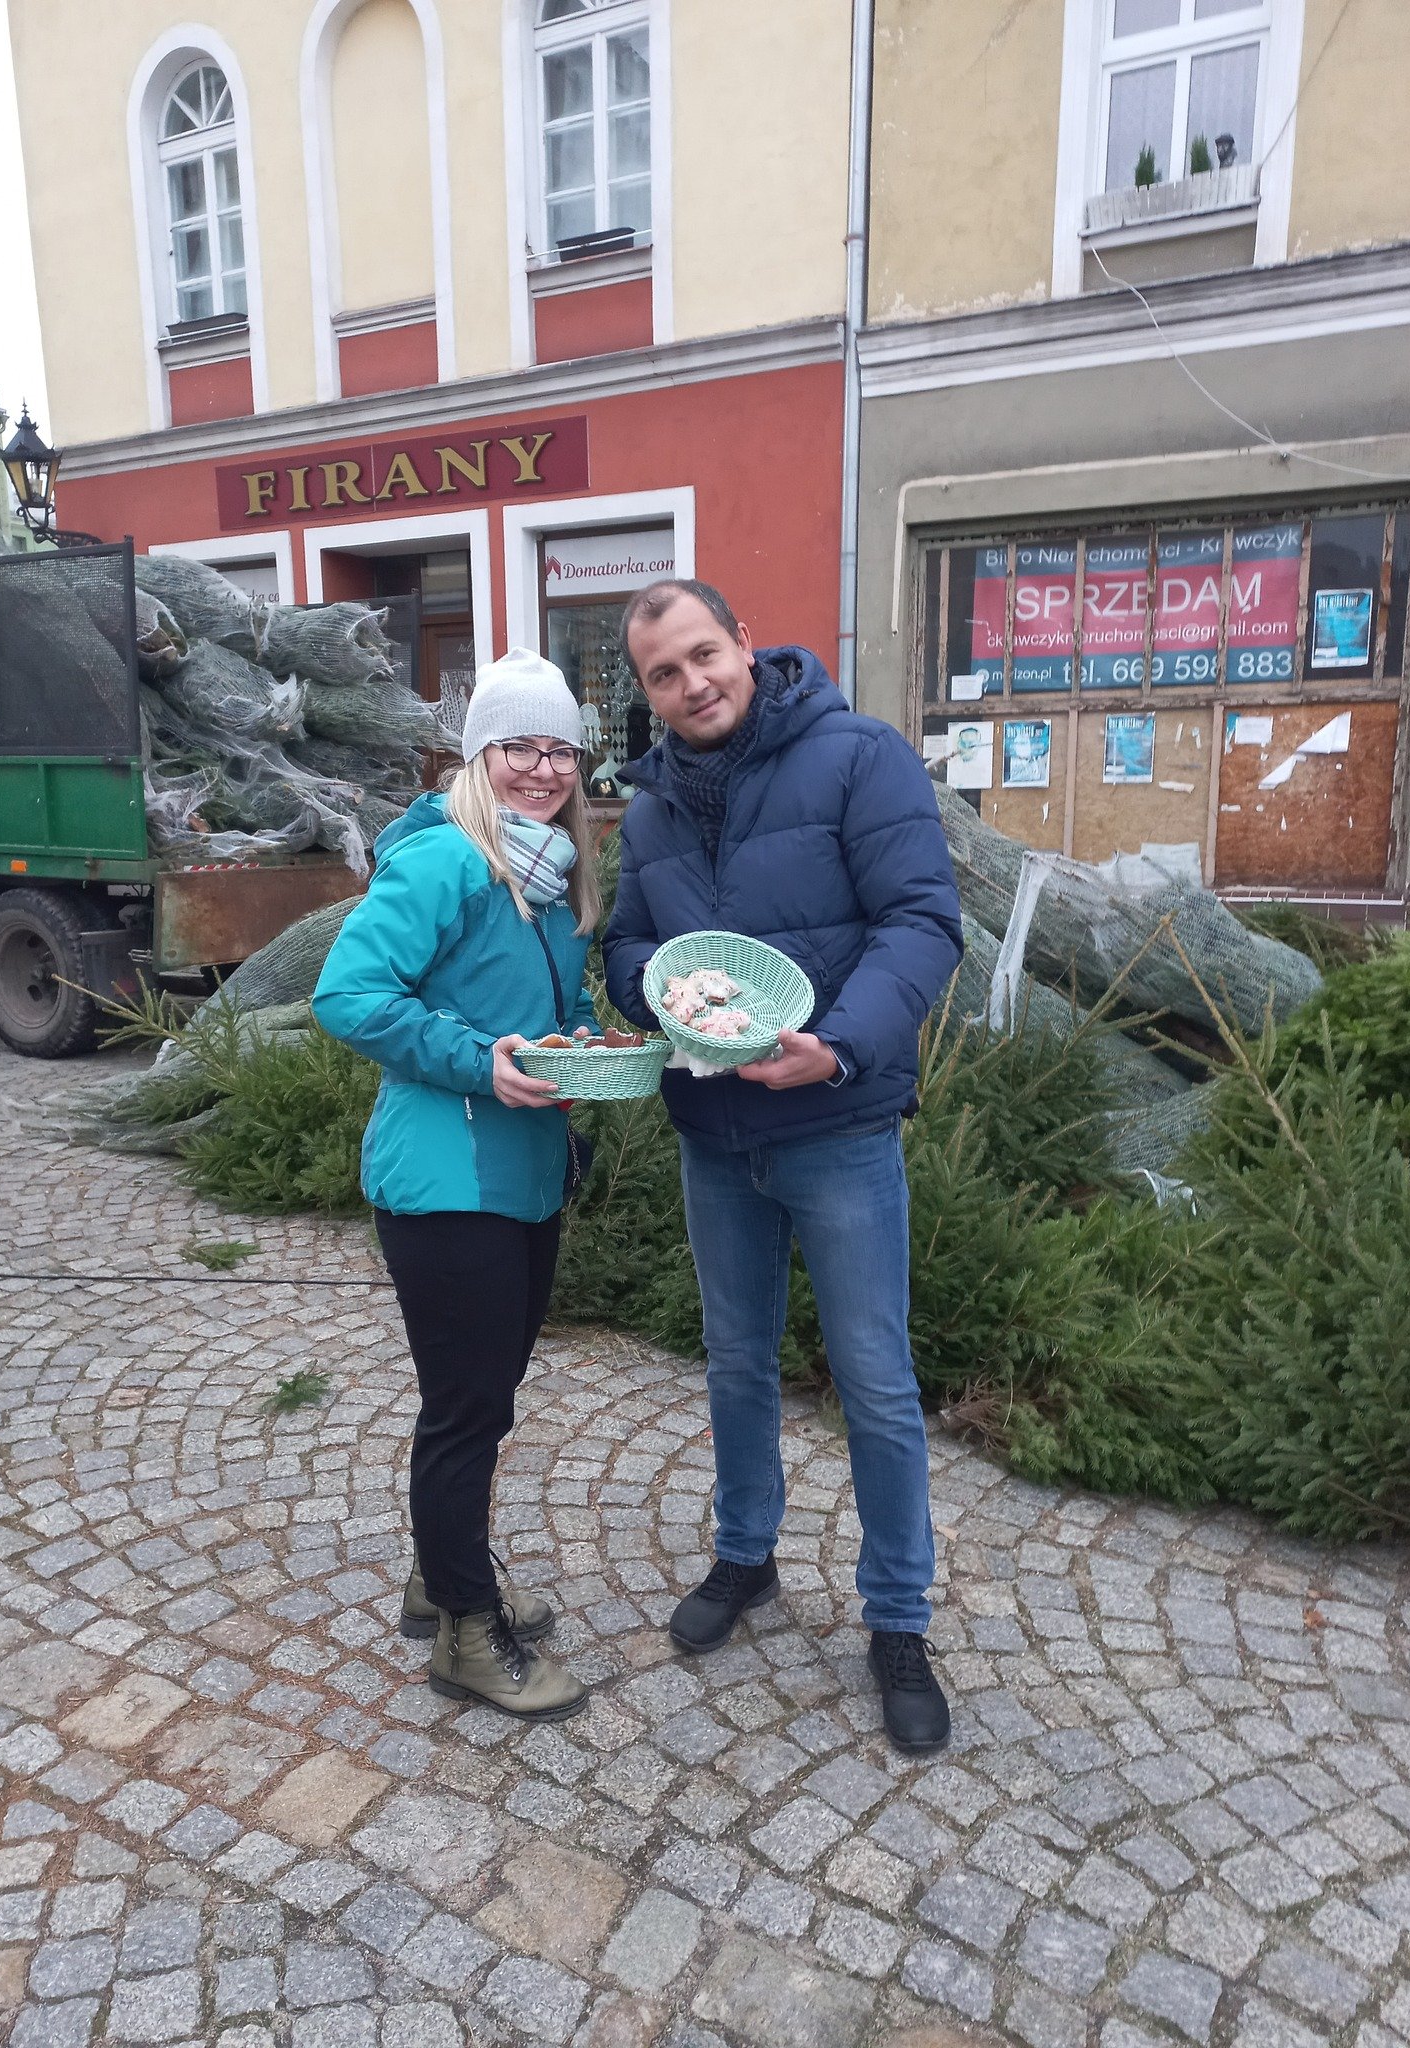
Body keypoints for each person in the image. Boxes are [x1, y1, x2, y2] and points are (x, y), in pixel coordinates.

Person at [603, 580, 964, 1752]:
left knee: (874, 1379)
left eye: (704, 653)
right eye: (664, 671)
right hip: (715, 1133)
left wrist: (842, 1044)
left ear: (746, 642)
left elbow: (921, 920)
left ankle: (898, 1619)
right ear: (648, 689)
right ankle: (746, 1554)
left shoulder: (859, 756)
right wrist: (656, 989)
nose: (692, 682)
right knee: (736, 1363)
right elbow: (623, 944)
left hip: (840, 1125)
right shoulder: (649, 804)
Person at [313, 647, 601, 1724]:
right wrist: (480, 1058)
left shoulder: (551, 868)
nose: (539, 766)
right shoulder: (444, 860)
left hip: (522, 1178)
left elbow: (529, 1022)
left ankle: (444, 1577)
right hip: (444, 1183)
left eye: (558, 746)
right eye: (516, 745)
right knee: (465, 1411)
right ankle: (469, 1640)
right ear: (479, 755)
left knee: (485, 1401)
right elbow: (349, 994)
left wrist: (579, 1051)